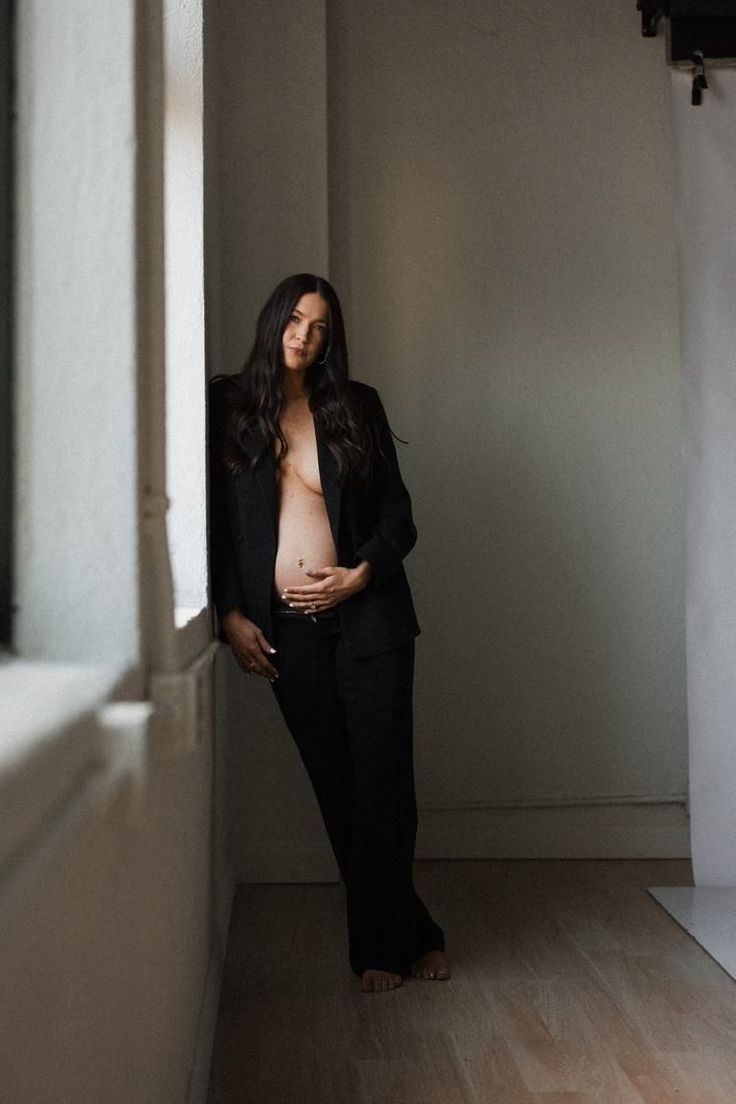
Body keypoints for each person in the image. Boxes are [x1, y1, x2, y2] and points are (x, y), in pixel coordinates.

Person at [208, 272, 449, 993]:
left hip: (370, 622)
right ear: (272, 318)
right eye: (294, 320)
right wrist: (227, 614)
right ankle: (417, 932)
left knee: (383, 786)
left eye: (318, 328)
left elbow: (397, 518)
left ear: (329, 340)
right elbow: (210, 524)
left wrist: (360, 574)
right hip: (285, 632)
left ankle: (377, 951)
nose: (303, 337)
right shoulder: (227, 406)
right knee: (339, 787)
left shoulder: (353, 406)